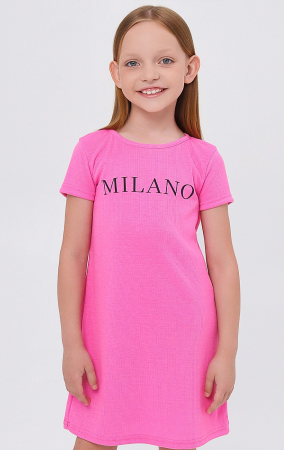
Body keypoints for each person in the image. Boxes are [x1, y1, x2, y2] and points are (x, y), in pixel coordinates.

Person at [57, 5, 240, 450]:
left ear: (190, 69)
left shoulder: (204, 159)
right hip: (108, 339)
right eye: (134, 63)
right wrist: (71, 344)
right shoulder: (91, 152)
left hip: (185, 339)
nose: (149, 74)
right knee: (95, 440)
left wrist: (227, 352)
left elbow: (222, 263)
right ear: (116, 74)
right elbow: (73, 255)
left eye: (165, 60)